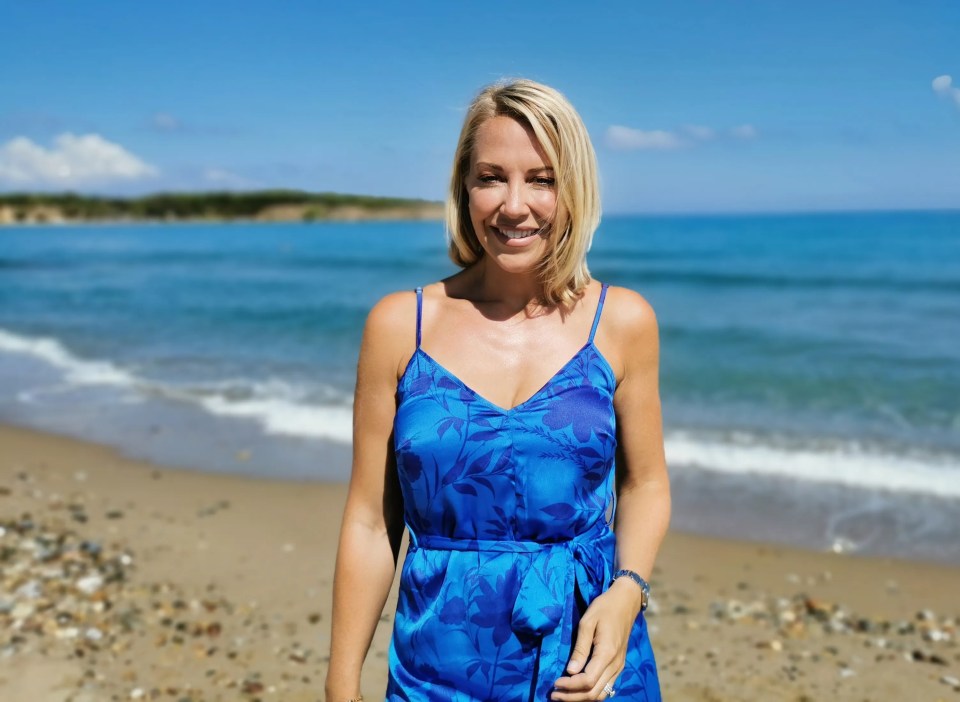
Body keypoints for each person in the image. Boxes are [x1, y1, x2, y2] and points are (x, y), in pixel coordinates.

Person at [325, 78, 670, 702]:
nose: (515, 206)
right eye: (491, 177)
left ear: (575, 189)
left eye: (542, 179)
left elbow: (645, 483)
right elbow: (372, 524)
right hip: (438, 665)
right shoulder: (401, 326)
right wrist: (340, 685)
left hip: (588, 665)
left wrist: (627, 590)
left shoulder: (622, 322)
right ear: (464, 187)